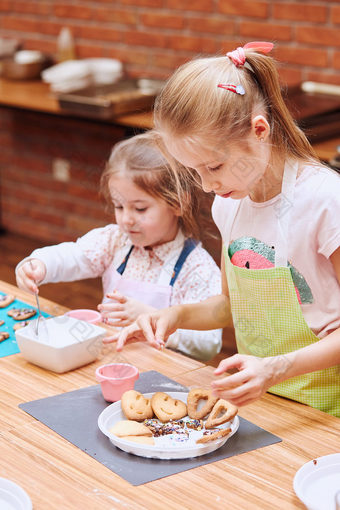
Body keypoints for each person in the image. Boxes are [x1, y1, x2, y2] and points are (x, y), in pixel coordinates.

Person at [112, 42, 340, 417]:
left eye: (214, 167)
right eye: (193, 171)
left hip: (326, 408)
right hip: (260, 400)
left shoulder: (324, 201)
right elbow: (230, 306)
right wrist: (176, 316)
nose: (204, 186)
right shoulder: (230, 203)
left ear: (259, 130)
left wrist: (277, 368)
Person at [15, 131, 222, 361]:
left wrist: (151, 318)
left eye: (140, 209)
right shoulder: (115, 241)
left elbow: (208, 344)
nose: (126, 219)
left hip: (163, 372)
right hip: (109, 361)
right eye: (119, 206)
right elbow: (73, 256)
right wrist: (39, 264)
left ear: (178, 203)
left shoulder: (197, 268)